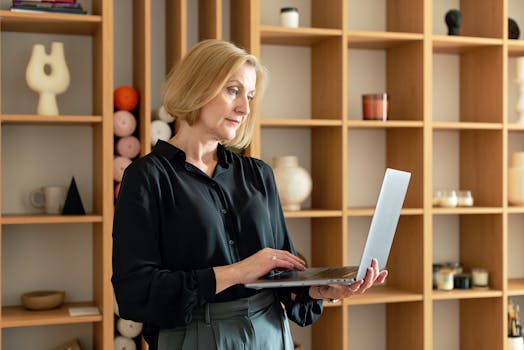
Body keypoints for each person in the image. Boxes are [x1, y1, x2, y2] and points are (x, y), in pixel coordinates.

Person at [111, 39, 388, 350]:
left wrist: (321, 290)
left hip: (270, 331)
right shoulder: (147, 177)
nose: (244, 108)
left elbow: (283, 276)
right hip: (195, 336)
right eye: (233, 90)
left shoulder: (258, 175)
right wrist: (237, 272)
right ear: (197, 87)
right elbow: (135, 292)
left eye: (250, 96)